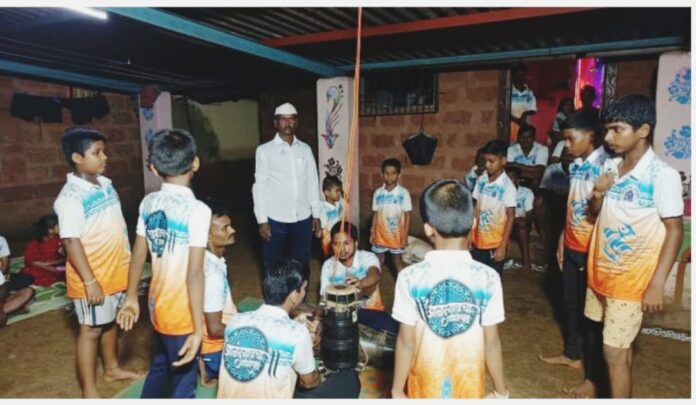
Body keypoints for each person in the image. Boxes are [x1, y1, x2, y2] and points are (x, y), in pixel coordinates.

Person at [586, 95, 683, 398]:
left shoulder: (662, 175)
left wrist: (656, 284)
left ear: (643, 130)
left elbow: (675, 231)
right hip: (601, 273)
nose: (608, 137)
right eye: (607, 129)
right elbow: (594, 213)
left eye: (617, 129)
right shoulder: (612, 166)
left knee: (613, 352)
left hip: (632, 281)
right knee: (619, 347)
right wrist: (598, 193)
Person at [391, 179, 507, 399]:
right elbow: (491, 343)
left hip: (422, 389)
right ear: (474, 223)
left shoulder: (409, 278)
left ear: (428, 229)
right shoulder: (488, 278)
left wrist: (397, 391)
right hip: (469, 389)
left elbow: (406, 342)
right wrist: (501, 392)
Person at [117, 129, 211, 398]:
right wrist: (198, 328)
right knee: (183, 384)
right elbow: (195, 274)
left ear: (154, 169)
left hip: (156, 304)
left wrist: (131, 297)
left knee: (160, 364)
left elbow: (138, 254)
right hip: (182, 311)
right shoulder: (198, 211)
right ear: (195, 163)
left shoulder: (149, 202)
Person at [53, 127, 140, 398]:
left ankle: (112, 369)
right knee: (90, 331)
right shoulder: (70, 197)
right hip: (92, 277)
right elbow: (71, 241)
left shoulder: (105, 183)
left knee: (110, 323)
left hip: (115, 271)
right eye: (97, 152)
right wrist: (90, 281)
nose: (105, 157)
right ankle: (89, 392)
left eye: (104, 151)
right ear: (77, 158)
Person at [538, 109, 610, 398]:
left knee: (591, 315)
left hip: (590, 250)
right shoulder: (578, 165)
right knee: (570, 302)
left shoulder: (606, 167)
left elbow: (604, 213)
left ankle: (594, 379)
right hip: (571, 244)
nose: (566, 145)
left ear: (591, 135)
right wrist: (561, 239)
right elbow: (573, 204)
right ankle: (572, 354)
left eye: (571, 139)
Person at [217, 259, 361, 399]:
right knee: (349, 379)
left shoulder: (235, 321)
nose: (304, 293)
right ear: (294, 295)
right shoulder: (297, 333)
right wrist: (311, 361)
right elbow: (310, 383)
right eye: (303, 289)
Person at [252, 102, 322, 283]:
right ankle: (273, 298)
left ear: (297, 122)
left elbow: (312, 181)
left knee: (302, 262)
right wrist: (262, 220)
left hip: (303, 217)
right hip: (275, 218)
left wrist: (316, 214)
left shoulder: (305, 149)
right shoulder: (264, 151)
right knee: (273, 263)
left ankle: (301, 296)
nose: (288, 123)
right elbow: (260, 186)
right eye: (283, 119)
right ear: (276, 123)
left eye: (291, 119)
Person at [320, 221, 399, 334]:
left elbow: (375, 275)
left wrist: (361, 283)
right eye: (336, 244)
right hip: (340, 315)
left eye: (347, 243)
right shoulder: (328, 265)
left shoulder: (367, 257)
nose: (341, 249)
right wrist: (317, 316)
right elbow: (324, 296)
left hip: (371, 311)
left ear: (356, 243)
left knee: (394, 331)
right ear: (332, 245)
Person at [198, 202, 238, 387]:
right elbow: (214, 329)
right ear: (207, 236)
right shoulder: (212, 274)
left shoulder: (206, 260)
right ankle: (209, 367)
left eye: (230, 225)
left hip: (207, 350)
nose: (232, 230)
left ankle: (203, 366)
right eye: (225, 228)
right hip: (216, 353)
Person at [471, 140, 516, 276]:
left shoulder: (507, 186)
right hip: (477, 241)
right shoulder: (481, 180)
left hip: (494, 243)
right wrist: (469, 235)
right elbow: (475, 208)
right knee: (476, 277)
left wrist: (502, 246)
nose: (487, 165)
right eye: (485, 161)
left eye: (491, 161)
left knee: (492, 279)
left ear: (503, 161)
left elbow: (511, 216)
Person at [506, 125, 549, 252]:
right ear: (518, 137)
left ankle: (543, 238)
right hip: (516, 185)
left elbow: (539, 172)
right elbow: (509, 171)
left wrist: (516, 165)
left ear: (534, 138)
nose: (525, 140)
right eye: (522, 137)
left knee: (538, 195)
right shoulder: (512, 149)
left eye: (529, 137)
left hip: (535, 186)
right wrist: (530, 171)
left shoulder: (542, 149)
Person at [370, 158, 412, 274]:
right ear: (382, 175)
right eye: (386, 173)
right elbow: (376, 213)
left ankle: (401, 283)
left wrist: (405, 236)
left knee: (397, 261)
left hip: (396, 235)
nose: (389, 177)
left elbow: (407, 215)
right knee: (378, 260)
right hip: (380, 234)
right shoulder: (378, 193)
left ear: (399, 175)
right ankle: (375, 283)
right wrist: (372, 231)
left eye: (393, 174)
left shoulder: (403, 193)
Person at [21, 214, 66, 287]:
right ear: (50, 230)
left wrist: (63, 252)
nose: (61, 226)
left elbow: (65, 254)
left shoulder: (60, 238)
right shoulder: (35, 242)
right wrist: (47, 267)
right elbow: (32, 261)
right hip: (40, 266)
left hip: (57, 264)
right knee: (34, 276)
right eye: (58, 225)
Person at [1, 235, 35, 328]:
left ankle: (2, 310)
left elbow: (4, 267)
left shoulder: (1, 240)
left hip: (3, 279)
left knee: (28, 288)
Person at [506, 167, 534, 273]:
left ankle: (526, 263)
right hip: (505, 224)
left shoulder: (526, 192)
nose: (508, 181)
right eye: (506, 178)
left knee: (521, 226)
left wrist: (523, 221)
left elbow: (529, 215)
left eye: (511, 178)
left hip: (520, 226)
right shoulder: (501, 191)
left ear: (518, 179)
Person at [317, 175, 345, 256]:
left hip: (339, 238)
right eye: (337, 191)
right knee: (330, 258)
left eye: (340, 190)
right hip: (329, 242)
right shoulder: (324, 210)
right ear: (327, 192)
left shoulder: (338, 204)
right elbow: (323, 231)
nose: (339, 193)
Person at [509, 64, 537, 143]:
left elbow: (533, 110)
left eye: (523, 75)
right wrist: (516, 120)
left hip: (524, 126)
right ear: (513, 76)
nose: (520, 77)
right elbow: (504, 109)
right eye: (518, 74)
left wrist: (524, 114)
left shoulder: (529, 92)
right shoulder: (508, 90)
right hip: (510, 125)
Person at [549, 97, 575, 164]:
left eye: (570, 105)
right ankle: (556, 156)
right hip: (558, 134)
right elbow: (564, 127)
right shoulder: (560, 115)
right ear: (562, 106)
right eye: (566, 105)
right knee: (562, 142)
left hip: (567, 134)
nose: (568, 107)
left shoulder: (571, 115)